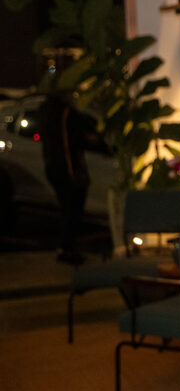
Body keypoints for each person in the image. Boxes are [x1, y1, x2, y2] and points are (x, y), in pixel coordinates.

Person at [40, 91, 90, 264]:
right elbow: (69, 143)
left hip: (53, 165)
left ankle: (66, 247)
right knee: (73, 209)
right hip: (67, 168)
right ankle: (67, 247)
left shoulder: (47, 111)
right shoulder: (65, 114)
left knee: (67, 208)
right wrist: (73, 171)